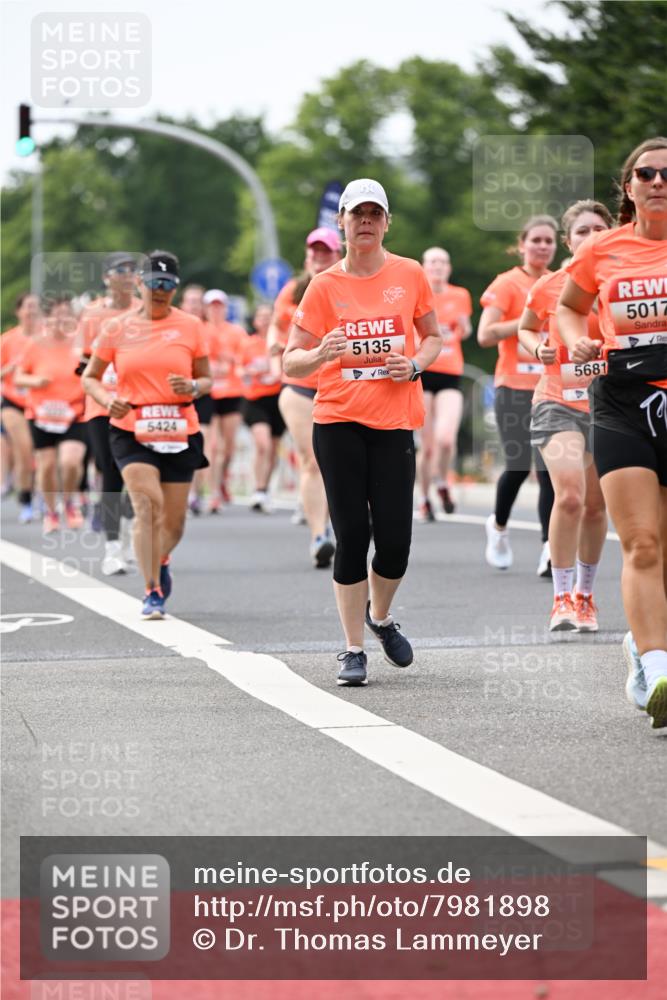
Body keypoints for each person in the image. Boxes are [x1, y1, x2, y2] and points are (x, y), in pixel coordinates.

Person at [283, 178, 442, 687]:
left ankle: (380, 615)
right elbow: (291, 361)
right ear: (342, 223)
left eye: (375, 213)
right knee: (352, 534)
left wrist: (414, 364)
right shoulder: (325, 285)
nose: (366, 221)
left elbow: (434, 337)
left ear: (387, 222)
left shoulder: (410, 274)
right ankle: (352, 648)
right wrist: (321, 355)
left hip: (394, 422)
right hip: (337, 421)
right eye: (357, 214)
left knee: (395, 542)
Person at [557, 137, 667, 729]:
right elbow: (570, 307)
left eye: (666, 175)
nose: (657, 181)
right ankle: (657, 666)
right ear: (628, 187)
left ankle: (639, 646)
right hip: (622, 401)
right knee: (643, 542)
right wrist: (577, 336)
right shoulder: (603, 250)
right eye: (645, 173)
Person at [82, 250, 212, 620]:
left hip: (178, 427)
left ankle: (161, 557)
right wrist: (109, 401)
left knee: (174, 522)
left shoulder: (190, 326)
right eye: (154, 283)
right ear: (139, 283)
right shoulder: (116, 328)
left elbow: (206, 378)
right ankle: (152, 589)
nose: (161, 291)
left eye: (168, 285)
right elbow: (89, 376)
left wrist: (192, 386)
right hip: (131, 428)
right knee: (147, 505)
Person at [518, 201, 613, 632]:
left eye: (598, 229)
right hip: (556, 401)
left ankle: (586, 596)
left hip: (609, 405)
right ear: (567, 240)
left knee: (595, 506)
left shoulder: (619, 285)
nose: (590, 237)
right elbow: (524, 327)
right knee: (570, 496)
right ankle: (561, 599)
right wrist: (535, 347)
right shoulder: (549, 286)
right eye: (581, 231)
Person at [478, 215, 558, 574]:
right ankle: (498, 527)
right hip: (512, 385)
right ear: (522, 244)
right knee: (518, 464)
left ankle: (548, 548)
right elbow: (485, 335)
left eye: (549, 241)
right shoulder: (507, 283)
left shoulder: (561, 283)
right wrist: (527, 318)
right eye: (536, 240)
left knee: (548, 470)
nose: (543, 246)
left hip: (551, 386)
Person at [269, 226, 341, 567]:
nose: (318, 257)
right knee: (312, 458)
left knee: (343, 463)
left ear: (338, 254)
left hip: (343, 385)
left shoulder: (349, 285)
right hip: (299, 385)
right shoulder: (293, 290)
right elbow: (274, 325)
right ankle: (318, 535)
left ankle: (347, 523)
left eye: (325, 251)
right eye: (314, 251)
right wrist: (273, 354)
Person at [78, 252, 138, 574]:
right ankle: (113, 547)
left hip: (137, 402)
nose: (127, 275)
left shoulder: (144, 311)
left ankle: (129, 525)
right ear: (107, 278)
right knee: (110, 468)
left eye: (131, 270)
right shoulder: (91, 314)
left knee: (136, 471)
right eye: (120, 270)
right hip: (101, 403)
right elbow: (82, 358)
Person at [15, 298, 86, 533]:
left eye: (67, 315)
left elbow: (94, 373)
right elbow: (18, 377)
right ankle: (51, 512)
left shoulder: (81, 346)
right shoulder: (36, 345)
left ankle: (69, 504)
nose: (61, 320)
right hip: (41, 413)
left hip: (74, 412)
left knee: (70, 462)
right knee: (46, 466)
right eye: (57, 314)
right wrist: (35, 381)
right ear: (47, 319)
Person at [417, 247, 472, 520]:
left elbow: (466, 330)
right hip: (423, 371)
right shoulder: (416, 295)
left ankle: (442, 482)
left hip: (451, 372)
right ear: (424, 266)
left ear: (448, 268)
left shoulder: (460, 295)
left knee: (446, 439)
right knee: (427, 446)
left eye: (442, 262)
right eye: (433, 262)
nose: (438, 266)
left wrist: (463, 325)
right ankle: (425, 497)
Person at [204, 288, 247, 512]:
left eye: (219, 305)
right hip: (209, 392)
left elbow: (244, 359)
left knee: (228, 447)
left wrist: (232, 360)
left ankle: (223, 478)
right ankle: (213, 495)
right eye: (212, 306)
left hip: (231, 391)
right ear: (206, 308)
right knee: (213, 445)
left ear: (226, 308)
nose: (216, 310)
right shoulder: (200, 330)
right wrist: (211, 367)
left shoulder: (236, 332)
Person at [240, 303, 284, 512]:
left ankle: (265, 489)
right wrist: (248, 371)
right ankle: (257, 489)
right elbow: (238, 369)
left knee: (273, 448)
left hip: (277, 398)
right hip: (255, 400)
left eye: (269, 316)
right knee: (263, 444)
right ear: (255, 321)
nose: (265, 320)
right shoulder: (247, 343)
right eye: (261, 316)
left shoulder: (281, 342)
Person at [1, 292, 40, 522]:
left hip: (40, 404)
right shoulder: (7, 340)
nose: (32, 311)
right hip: (12, 402)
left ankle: (39, 495)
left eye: (36, 307)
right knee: (24, 449)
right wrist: (9, 370)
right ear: (19, 311)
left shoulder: (47, 341)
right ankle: (26, 501)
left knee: (41, 456)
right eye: (28, 307)